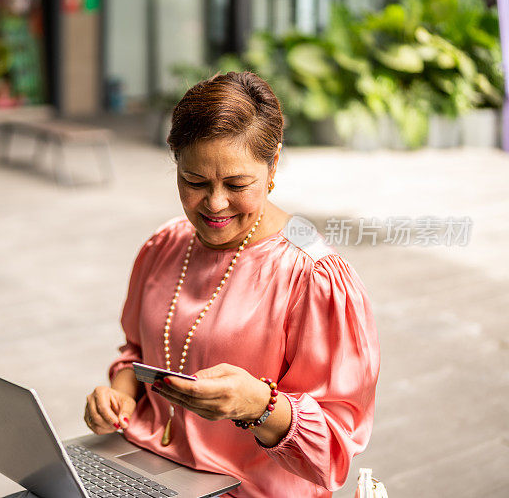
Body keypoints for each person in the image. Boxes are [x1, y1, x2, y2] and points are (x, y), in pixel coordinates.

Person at [84, 71, 380, 497]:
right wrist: (120, 394)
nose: (215, 204)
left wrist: (259, 405)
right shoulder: (165, 244)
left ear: (273, 164)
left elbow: (332, 454)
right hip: (142, 470)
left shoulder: (314, 275)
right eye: (195, 182)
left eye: (238, 184)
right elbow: (136, 352)